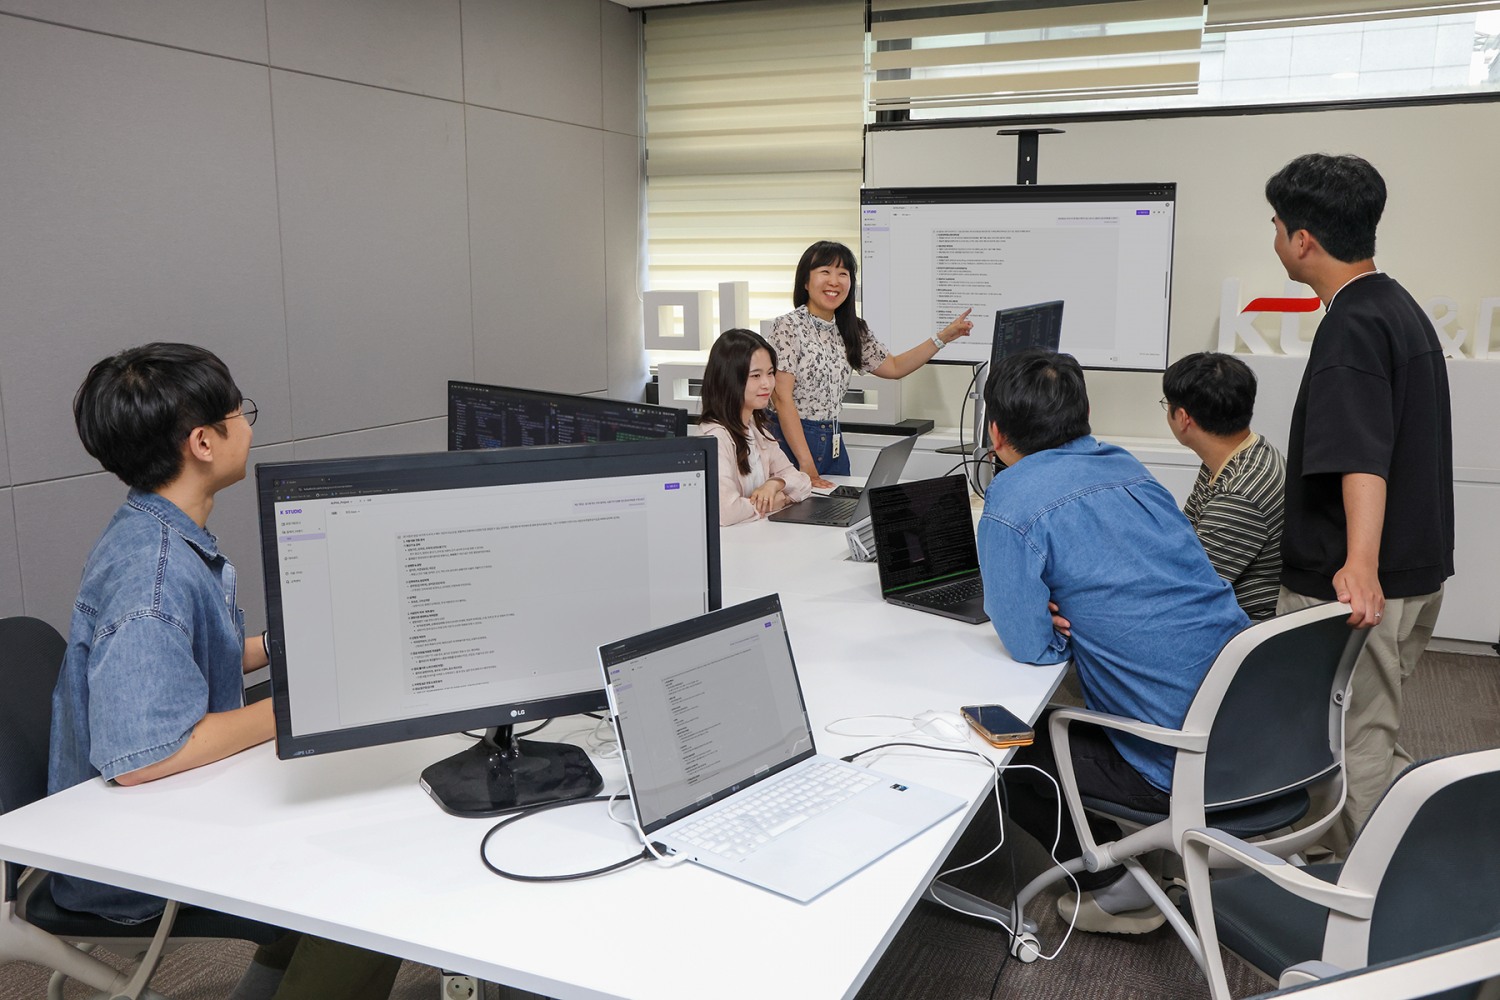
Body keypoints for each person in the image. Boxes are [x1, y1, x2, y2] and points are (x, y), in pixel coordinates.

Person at [50, 343, 401, 1000]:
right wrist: (298, 707)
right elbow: (144, 754)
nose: (250, 425)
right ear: (205, 442)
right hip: (126, 860)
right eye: (242, 413)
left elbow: (182, 657)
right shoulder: (150, 575)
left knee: (349, 825)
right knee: (370, 879)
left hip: (168, 811)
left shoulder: (154, 529)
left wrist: (278, 644)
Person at [976, 349, 1249, 934]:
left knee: (1002, 735)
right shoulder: (1126, 466)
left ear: (995, 433)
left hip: (1180, 759)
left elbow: (1031, 648)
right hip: (1256, 727)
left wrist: (1058, 624)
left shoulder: (1011, 503)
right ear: (1083, 415)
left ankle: (1115, 886)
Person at [1265, 153, 1454, 858]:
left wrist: (1360, 564)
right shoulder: (1395, 306)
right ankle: (1338, 851)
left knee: (1355, 747)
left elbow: (1360, 457)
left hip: (1358, 586)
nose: (1276, 238)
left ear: (1302, 239)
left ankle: (1372, 908)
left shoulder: (1349, 327)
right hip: (1414, 572)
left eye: (1277, 226)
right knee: (1361, 730)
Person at [768, 240, 973, 487]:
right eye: (825, 272)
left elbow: (894, 367)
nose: (834, 281)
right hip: (793, 440)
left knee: (838, 513)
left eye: (843, 274)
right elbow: (782, 398)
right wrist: (806, 463)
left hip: (833, 439)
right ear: (805, 281)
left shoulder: (853, 329)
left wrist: (942, 338)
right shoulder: (788, 326)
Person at [1161, 352, 1285, 620]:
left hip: (1240, 632)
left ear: (1183, 418)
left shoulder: (1239, 494)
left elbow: (1187, 589)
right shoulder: (1238, 453)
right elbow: (1187, 537)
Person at [698, 328, 813, 525]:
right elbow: (726, 512)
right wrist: (776, 502)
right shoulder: (715, 438)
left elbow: (803, 481)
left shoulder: (755, 429)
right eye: (756, 376)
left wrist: (774, 484)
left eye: (770, 373)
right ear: (729, 379)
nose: (767, 384)